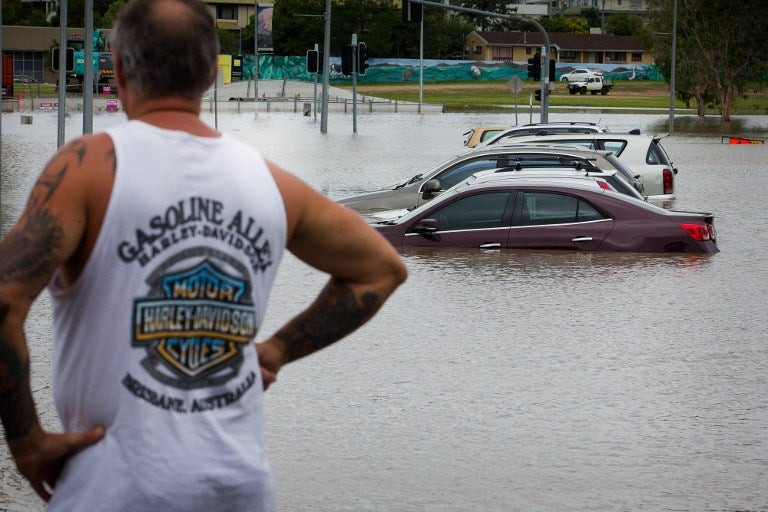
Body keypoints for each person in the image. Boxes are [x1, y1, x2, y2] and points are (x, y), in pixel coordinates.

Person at [0, 0, 407, 510]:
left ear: (120, 68)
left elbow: (3, 301)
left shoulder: (86, 168)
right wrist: (277, 349)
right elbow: (382, 270)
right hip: (238, 485)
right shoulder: (272, 183)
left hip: (115, 488)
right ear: (213, 73)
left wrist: (25, 440)